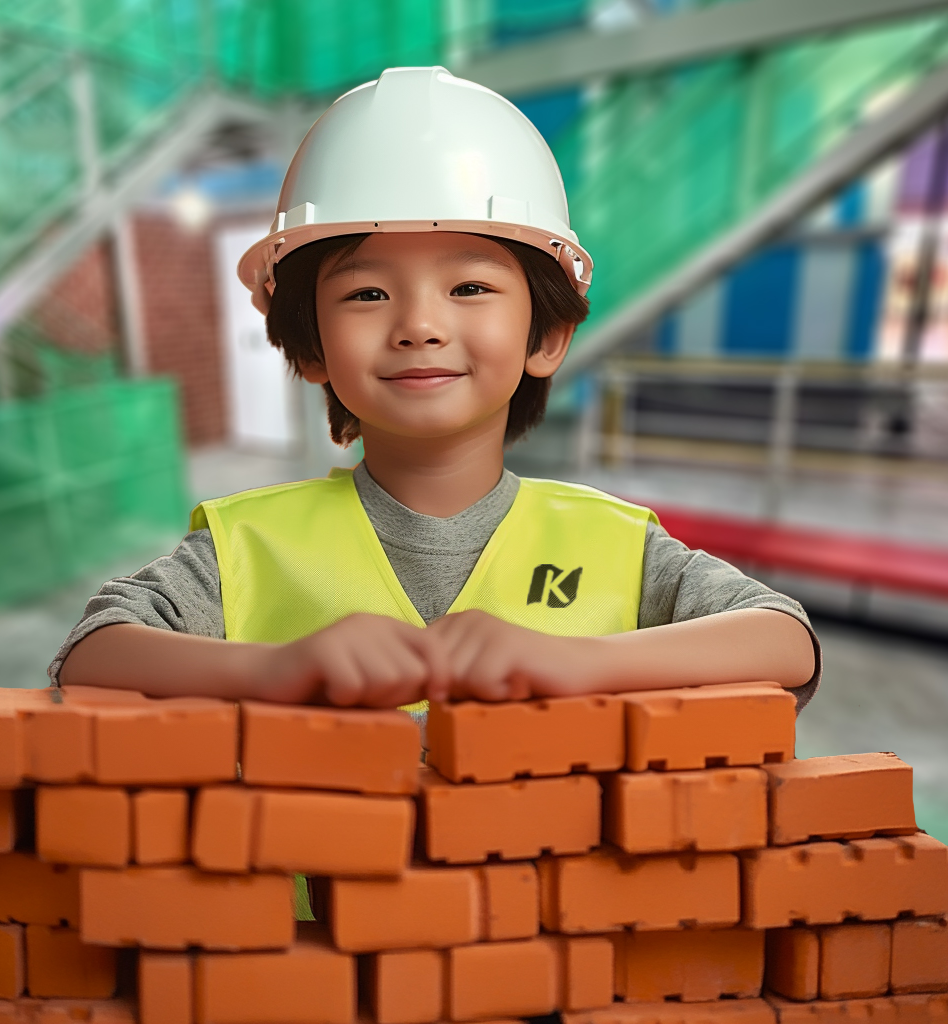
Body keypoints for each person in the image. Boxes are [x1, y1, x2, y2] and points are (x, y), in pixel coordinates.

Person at [53, 67, 819, 718]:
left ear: (545, 338)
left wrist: (579, 663)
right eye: (365, 295)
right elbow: (93, 653)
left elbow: (785, 640)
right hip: (307, 904)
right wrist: (271, 670)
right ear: (313, 347)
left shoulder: (614, 546)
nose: (419, 325)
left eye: (469, 286)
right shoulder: (243, 549)